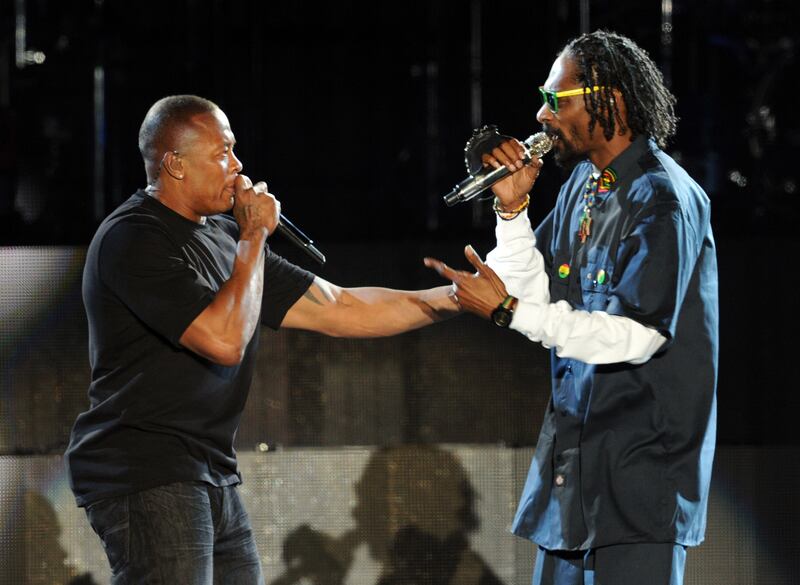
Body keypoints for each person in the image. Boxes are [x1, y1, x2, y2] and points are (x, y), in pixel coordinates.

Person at [65, 94, 460, 584]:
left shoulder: (223, 237)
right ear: (175, 165)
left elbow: (340, 308)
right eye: (222, 153)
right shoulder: (133, 238)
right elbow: (223, 340)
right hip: (144, 468)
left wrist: (457, 299)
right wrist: (253, 237)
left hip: (206, 469)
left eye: (234, 150)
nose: (237, 166)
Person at [425, 30, 718, 585]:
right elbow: (534, 295)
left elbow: (638, 334)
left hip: (637, 485)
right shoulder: (584, 185)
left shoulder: (663, 198)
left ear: (612, 101)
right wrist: (512, 211)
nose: (541, 114)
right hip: (572, 479)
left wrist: (509, 310)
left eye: (556, 99)